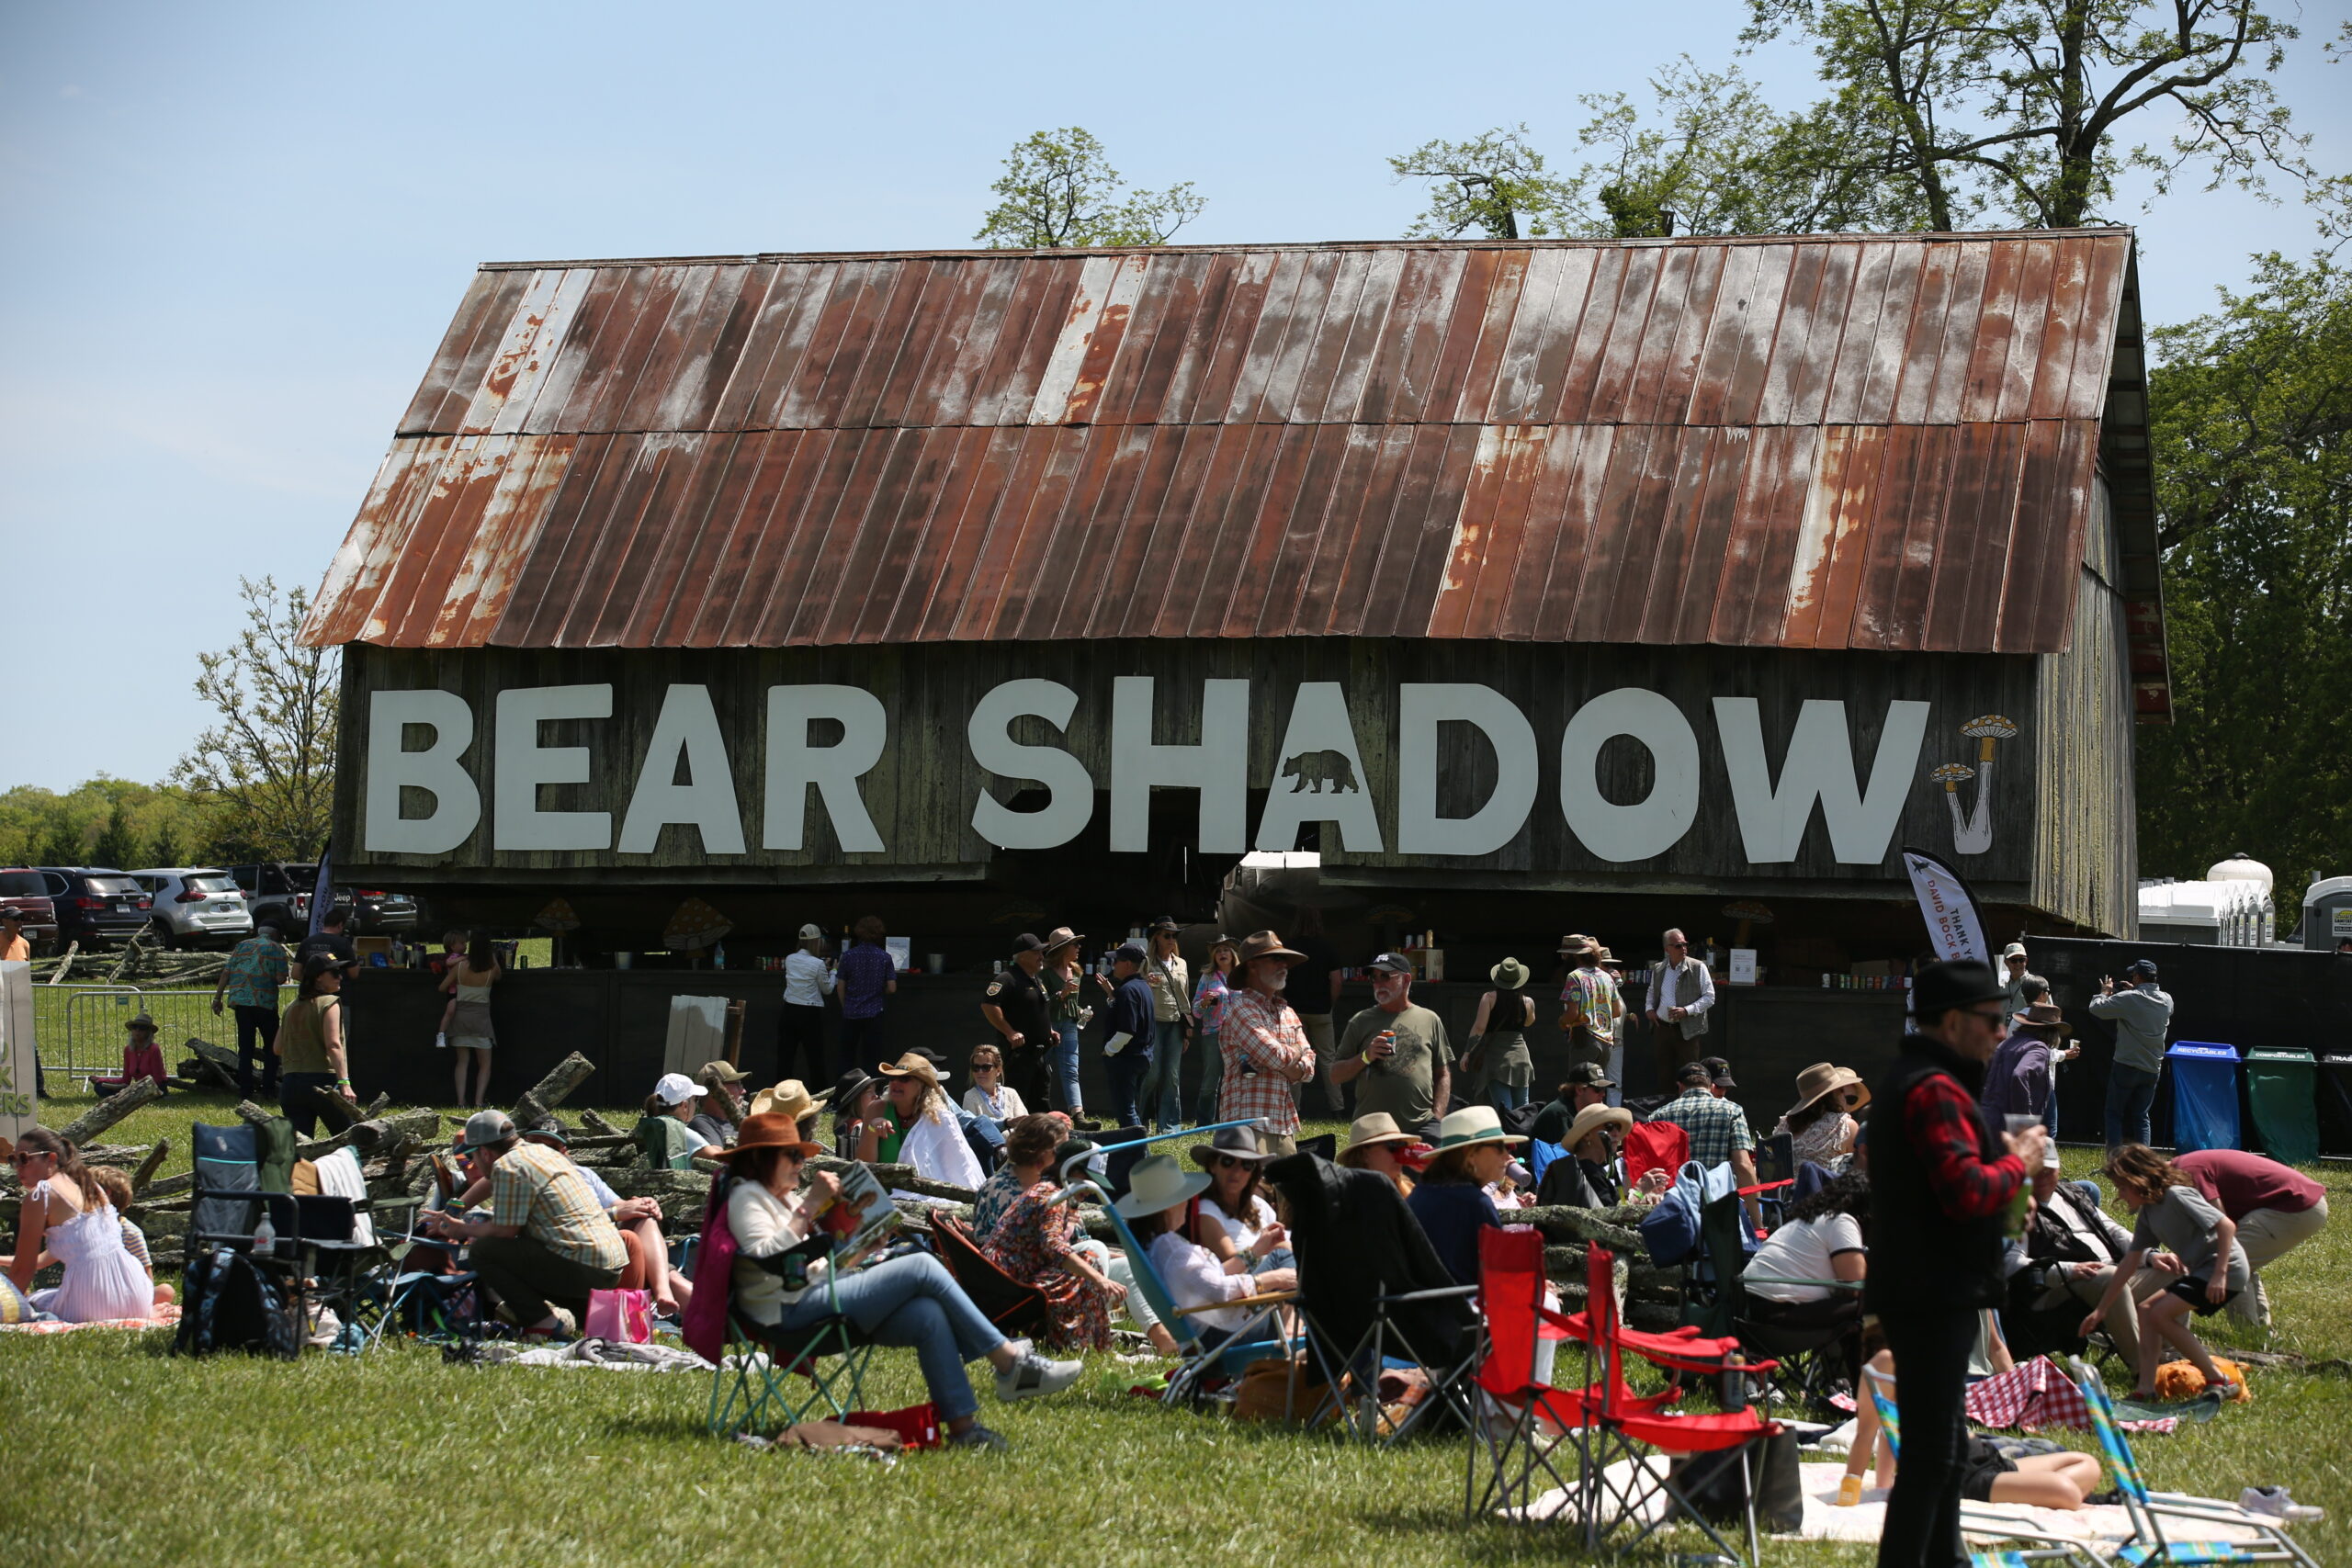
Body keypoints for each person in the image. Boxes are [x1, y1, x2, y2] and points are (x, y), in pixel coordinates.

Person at [714, 1111, 1081, 1451]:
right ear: (763, 1159)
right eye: (792, 1156)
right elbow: (769, 1259)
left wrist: (859, 1250)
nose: (802, 1163)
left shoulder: (782, 1200)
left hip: (810, 1300)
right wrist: (810, 1207)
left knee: (926, 1315)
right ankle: (1008, 1361)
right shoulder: (747, 1197)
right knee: (920, 1265)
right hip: (786, 1316)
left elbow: (800, 1270)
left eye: (801, 1155)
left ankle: (964, 1428)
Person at [1867, 958, 2041, 1568]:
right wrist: (2017, 1161)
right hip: (1931, 1287)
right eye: (1992, 1019)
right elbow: (1965, 1189)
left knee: (1939, 1446)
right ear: (1949, 1021)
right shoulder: (1933, 1086)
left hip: (1930, 1283)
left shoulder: (1926, 1077)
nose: (2001, 1032)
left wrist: (2018, 1189)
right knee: (1931, 1453)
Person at [1838, 1331, 2100, 1512]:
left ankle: (2028, 1491)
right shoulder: (1885, 1361)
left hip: (1983, 1458)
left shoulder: (1920, 1354)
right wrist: (1850, 1494)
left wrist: (1885, 1486)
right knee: (2066, 1492)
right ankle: (2036, 1492)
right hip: (1962, 1478)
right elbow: (1867, 1434)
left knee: (2087, 1463)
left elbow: (1891, 1427)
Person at [421, 1110, 627, 1337]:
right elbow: (490, 1181)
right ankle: (579, 1317)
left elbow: (504, 1231)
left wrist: (461, 1228)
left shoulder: (508, 1166)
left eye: (472, 1156)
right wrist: (454, 1209)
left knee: (485, 1251)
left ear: (485, 1153)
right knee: (526, 1246)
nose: (473, 1163)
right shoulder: (538, 1152)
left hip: (584, 1267)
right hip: (610, 1265)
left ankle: (544, 1323)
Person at [2082, 1144, 2249, 1401]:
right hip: (2203, 1271)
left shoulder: (2177, 1196)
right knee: (2147, 1311)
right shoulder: (2149, 1213)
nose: (2120, 1194)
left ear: (2138, 1180)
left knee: (2159, 1314)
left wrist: (2220, 1273)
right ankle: (2146, 1389)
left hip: (2225, 1268)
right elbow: (2129, 1263)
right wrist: (2102, 1309)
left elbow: (2226, 1226)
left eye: (2122, 1187)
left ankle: (2218, 1378)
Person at [978, 1115, 1125, 1350]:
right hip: (1010, 1283)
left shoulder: (1047, 1191)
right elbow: (1053, 1247)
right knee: (1091, 1260)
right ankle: (1078, 1343)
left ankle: (1103, 1340)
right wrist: (1100, 1280)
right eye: (1087, 1179)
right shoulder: (1051, 1196)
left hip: (1007, 1277)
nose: (1089, 1188)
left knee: (1091, 1258)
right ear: (1069, 1169)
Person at [515, 1123, 691, 1317]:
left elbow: (623, 1206)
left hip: (609, 1247)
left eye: (551, 1148)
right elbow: (563, 1222)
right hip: (576, 1251)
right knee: (630, 1242)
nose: (542, 1153)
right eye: (535, 1145)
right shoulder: (520, 1178)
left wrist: (642, 1204)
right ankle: (666, 1298)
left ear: (564, 1151)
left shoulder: (583, 1175)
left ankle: (664, 1292)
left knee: (643, 1219)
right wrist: (614, 1214)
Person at [1114, 1155, 1295, 1341]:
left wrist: (1255, 1251)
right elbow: (1220, 1289)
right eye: (1185, 1196)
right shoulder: (1176, 1252)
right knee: (1285, 1257)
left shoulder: (1156, 1246)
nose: (1188, 1202)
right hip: (1227, 1334)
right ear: (1171, 1205)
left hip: (1212, 1328)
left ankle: (1292, 1332)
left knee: (1281, 1256)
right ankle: (1292, 1335)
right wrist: (1275, 1278)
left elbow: (1208, 1280)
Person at [2007, 1142, 2148, 1362]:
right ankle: (2144, 1371)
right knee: (2110, 1278)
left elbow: (2111, 1228)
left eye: (2049, 1169)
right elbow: (2010, 1263)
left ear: (2059, 1170)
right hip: (2059, 1291)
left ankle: (2169, 1355)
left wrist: (2148, 1254)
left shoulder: (2071, 1192)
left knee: (2170, 1270)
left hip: (2109, 1275)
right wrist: (2069, 1269)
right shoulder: (2018, 1207)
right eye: (2037, 1169)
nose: (2044, 1175)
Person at [3, 1129, 153, 1323]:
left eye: (24, 1159)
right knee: (44, 1296)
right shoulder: (91, 1186)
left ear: (51, 1159)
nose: (18, 1167)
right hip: (138, 1295)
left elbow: (23, 1270)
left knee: (37, 1300)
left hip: (94, 1300)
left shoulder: (41, 1196)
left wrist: (8, 1310)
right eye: (13, 1160)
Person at [2173, 1147, 2329, 1327]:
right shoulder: (2186, 1165)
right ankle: (2260, 1332)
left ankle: (2250, 1334)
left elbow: (2219, 1223)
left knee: (2229, 1264)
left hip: (2295, 1205)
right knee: (2240, 1262)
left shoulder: (2186, 1171)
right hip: (2302, 1203)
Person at [1742, 1171, 1869, 1380]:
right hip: (1779, 1323)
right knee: (1868, 1306)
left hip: (1748, 1318)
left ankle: (1837, 1378)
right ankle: (1857, 1383)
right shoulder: (1841, 1221)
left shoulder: (1804, 1221)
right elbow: (1857, 1284)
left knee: (1845, 1305)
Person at [1213, 931, 1322, 1156]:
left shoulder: (1287, 1011)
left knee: (1285, 1191)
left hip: (1284, 1124)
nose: (1284, 965)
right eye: (1275, 959)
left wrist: (1292, 1062)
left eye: (1285, 961)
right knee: (1252, 1190)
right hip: (1247, 1125)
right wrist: (1296, 1056)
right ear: (1252, 966)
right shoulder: (1241, 1008)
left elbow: (1310, 1067)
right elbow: (1274, 1055)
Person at [1332, 952, 1453, 1133]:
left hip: (1422, 1125)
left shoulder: (1430, 1019)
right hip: (1373, 1128)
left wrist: (1437, 1116)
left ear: (1405, 980)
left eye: (1385, 976)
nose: (1378, 983)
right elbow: (1335, 1075)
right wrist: (1366, 1056)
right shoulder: (1360, 1021)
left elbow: (1442, 1074)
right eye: (1374, 978)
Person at [1406, 1105, 1521, 1286]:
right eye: (1499, 1146)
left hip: (1422, 1309)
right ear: (1470, 1154)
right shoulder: (1475, 1203)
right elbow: (1500, 1275)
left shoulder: (1419, 1194)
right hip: (1463, 1308)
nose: (1507, 1155)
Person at [1648, 1062, 1761, 1228]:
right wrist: (1758, 1224)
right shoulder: (1732, 1110)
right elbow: (1744, 1166)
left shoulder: (1657, 1116)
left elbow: (1650, 1171)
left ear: (1680, 1087)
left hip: (1673, 1215)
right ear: (1710, 1086)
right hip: (1719, 1215)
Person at [856, 1052, 985, 1189]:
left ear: (922, 1086)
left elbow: (962, 1170)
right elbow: (862, 1167)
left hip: (925, 1200)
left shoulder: (941, 1119)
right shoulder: (876, 1109)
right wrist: (872, 1131)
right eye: (892, 1077)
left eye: (904, 1079)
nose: (895, 1083)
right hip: (881, 1197)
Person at [2087, 958, 2172, 1148]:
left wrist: (2105, 992)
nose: (2131, 978)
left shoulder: (2128, 999)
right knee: (2142, 1116)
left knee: (2114, 1113)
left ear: (2139, 977)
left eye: (2133, 975)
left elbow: (2096, 1009)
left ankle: (2115, 1161)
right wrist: (2133, 991)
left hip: (2126, 1066)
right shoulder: (2167, 999)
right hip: (2152, 1068)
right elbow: (2145, 1006)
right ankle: (2144, 1164)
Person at [1188, 1126, 1292, 1276]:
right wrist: (1265, 1248)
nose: (1237, 1172)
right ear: (1212, 1165)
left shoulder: (1260, 1205)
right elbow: (1231, 1263)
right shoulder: (1207, 1210)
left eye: (1246, 1165)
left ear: (1253, 1172)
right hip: (1244, 1293)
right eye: (1228, 1162)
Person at [274, 955, 356, 1137]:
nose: (340, 977)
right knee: (349, 1143)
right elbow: (334, 1045)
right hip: (323, 1083)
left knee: (301, 1152)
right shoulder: (329, 1003)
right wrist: (344, 1083)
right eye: (334, 972)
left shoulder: (290, 1007)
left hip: (291, 1085)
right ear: (318, 977)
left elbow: (277, 1048)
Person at [211, 921, 290, 1099]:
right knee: (272, 1048)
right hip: (265, 1004)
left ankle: (245, 1091)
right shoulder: (276, 948)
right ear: (276, 934)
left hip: (241, 1002)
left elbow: (226, 972)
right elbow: (279, 978)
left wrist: (218, 998)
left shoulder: (242, 945)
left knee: (245, 1048)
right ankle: (268, 1090)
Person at [980, 933, 1055, 1117]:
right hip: (1019, 1056)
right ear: (1022, 956)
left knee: (1041, 1105)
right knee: (1016, 1105)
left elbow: (1036, 1010)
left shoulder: (1036, 979)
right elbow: (988, 1005)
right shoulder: (1006, 978)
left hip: (1040, 1056)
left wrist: (1050, 1031)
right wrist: (1010, 1032)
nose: (1041, 957)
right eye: (1036, 952)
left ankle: (1041, 1142)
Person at [84, 1164, 173, 1310]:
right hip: (96, 1290)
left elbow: (146, 1275)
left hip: (126, 1293)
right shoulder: (85, 1227)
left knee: (165, 1291)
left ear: (106, 1195)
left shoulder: (130, 1232)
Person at [1285, 906, 1347, 1118]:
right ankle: (1337, 1109)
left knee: (1295, 1057)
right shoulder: (1327, 948)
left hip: (1293, 1012)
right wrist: (1328, 1004)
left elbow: (1279, 980)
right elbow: (1337, 980)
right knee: (1328, 1060)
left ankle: (1294, 1108)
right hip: (1321, 1011)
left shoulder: (1289, 948)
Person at [1644, 928, 1716, 1096]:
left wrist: (1687, 1010)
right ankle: (1666, 1115)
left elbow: (1710, 997)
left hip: (1688, 1029)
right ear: (1667, 949)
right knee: (1664, 1075)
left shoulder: (1698, 967)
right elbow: (1652, 990)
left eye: (1685, 944)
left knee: (1691, 1075)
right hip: (1662, 1028)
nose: (1683, 948)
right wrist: (1649, 1009)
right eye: (1678, 945)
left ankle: (1689, 1112)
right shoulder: (1659, 968)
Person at [1137, 919, 1192, 1134]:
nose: (1171, 940)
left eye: (1174, 936)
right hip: (1153, 1023)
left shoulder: (1182, 963)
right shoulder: (1146, 963)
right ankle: (1142, 1120)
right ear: (1156, 938)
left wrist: (1187, 1027)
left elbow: (1185, 996)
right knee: (1151, 1074)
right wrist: (1145, 981)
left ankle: (1169, 1125)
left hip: (1175, 1024)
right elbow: (1136, 990)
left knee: (1172, 1075)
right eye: (1166, 935)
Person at [1980, 1002, 2073, 1127]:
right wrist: (2024, 1120)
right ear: (2052, 1032)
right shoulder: (2038, 1048)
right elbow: (2019, 1075)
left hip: (1989, 1118)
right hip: (2010, 1127)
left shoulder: (2006, 1044)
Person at [1464, 957, 1537, 1113]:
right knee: (1523, 1109)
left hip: (1496, 1058)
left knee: (1504, 1109)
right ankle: (1523, 1137)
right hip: (1520, 1057)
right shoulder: (1528, 1002)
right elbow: (1528, 1023)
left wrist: (1467, 1053)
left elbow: (1479, 1028)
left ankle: (1509, 1137)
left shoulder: (1489, 998)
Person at [437, 931, 500, 1109]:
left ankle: (460, 1102)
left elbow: (442, 987)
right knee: (485, 1064)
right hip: (481, 1019)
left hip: (460, 1017)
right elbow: (499, 977)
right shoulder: (491, 968)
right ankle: (479, 1101)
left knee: (462, 1062)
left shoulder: (460, 967)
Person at [1095, 943, 1154, 1130]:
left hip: (1126, 1058)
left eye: (1116, 961)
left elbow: (1127, 1030)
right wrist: (1112, 995)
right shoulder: (1143, 987)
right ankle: (1138, 1153)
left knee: (1126, 1112)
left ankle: (1139, 1154)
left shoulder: (1128, 990)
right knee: (1132, 1108)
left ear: (1127, 964)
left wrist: (1109, 1050)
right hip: (1142, 1057)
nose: (1113, 965)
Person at [1557, 936, 1625, 1084]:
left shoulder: (1575, 976)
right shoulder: (1606, 977)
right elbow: (1616, 1011)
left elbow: (1572, 1014)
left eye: (1565, 955)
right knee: (1597, 1088)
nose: (1563, 959)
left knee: (1578, 1088)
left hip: (1584, 1040)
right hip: (1607, 1042)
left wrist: (1562, 1022)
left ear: (1574, 956)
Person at [1775, 1063, 1868, 1169]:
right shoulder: (1844, 1126)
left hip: (1781, 1186)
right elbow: (1859, 1171)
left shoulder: (1785, 1124)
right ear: (1836, 1093)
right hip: (1822, 1185)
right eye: (1841, 1089)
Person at [777, 922, 835, 1085]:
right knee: (815, 1057)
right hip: (810, 1013)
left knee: (785, 1057)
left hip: (789, 1010)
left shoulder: (790, 959)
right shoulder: (817, 964)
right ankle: (820, 1093)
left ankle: (781, 1092)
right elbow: (827, 989)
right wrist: (834, 972)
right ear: (816, 942)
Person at [1041, 926, 1089, 1119]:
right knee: (1044, 1070)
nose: (1079, 947)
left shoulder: (1076, 972)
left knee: (1071, 1070)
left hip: (1069, 1025)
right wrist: (1061, 995)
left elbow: (1072, 1005)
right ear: (1063, 948)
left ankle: (1078, 1114)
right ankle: (1041, 1112)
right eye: (1075, 944)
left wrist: (1081, 1013)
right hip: (1048, 1026)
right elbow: (1041, 1003)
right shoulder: (1045, 974)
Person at [1190, 935, 1238, 1125]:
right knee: (1211, 1082)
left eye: (1226, 949)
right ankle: (1204, 1124)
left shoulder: (1243, 975)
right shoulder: (1208, 977)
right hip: (1213, 1033)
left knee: (1236, 1080)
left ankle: (1232, 1121)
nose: (1222, 953)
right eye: (1218, 951)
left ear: (1233, 953)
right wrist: (1204, 1002)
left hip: (1237, 1035)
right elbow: (1196, 1011)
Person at [836, 915, 897, 1064]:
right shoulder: (885, 957)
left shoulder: (848, 956)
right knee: (872, 1057)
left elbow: (840, 986)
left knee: (847, 1056)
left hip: (851, 1012)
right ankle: (872, 1085)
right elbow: (892, 988)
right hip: (874, 1012)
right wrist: (880, 992)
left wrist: (846, 1006)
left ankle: (847, 1086)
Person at [1337, 1111, 1419, 1197]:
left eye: (1402, 1145)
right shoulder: (1349, 1198)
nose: (1400, 1152)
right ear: (1364, 1154)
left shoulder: (1408, 1188)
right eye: (1392, 1146)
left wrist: (1429, 1172)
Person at [1531, 1061, 1616, 1142]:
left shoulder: (1580, 1112)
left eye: (1604, 1089)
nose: (1603, 1094)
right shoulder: (1560, 1114)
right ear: (1579, 1089)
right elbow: (1568, 1154)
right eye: (1598, 1089)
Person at [92, 1013, 168, 1095]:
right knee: (99, 1086)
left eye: (142, 1028)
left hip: (154, 1087)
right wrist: (102, 1079)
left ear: (149, 1032)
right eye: (135, 1027)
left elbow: (158, 1079)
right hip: (136, 1088)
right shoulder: (128, 1050)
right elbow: (125, 1080)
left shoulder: (154, 1049)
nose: (137, 1031)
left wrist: (137, 1088)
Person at [826, 1066, 888, 1161]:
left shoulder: (846, 1124)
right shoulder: (858, 1126)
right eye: (869, 1092)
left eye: (874, 1091)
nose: (875, 1096)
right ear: (856, 1100)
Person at [962, 1043, 1028, 1123]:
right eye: (976, 1067)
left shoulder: (1011, 1093)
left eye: (986, 1067)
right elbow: (974, 1128)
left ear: (998, 1070)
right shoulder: (970, 1096)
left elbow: (1023, 1123)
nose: (980, 1072)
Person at [690, 1062, 747, 1147]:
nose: (743, 1091)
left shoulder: (744, 1120)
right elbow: (719, 1158)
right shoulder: (703, 1123)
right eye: (737, 1084)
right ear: (716, 1089)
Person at [296, 905, 357, 972]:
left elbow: (295, 973)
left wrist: (311, 980)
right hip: (337, 982)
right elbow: (353, 974)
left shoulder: (306, 942)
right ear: (340, 925)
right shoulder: (344, 943)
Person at [1999, 942, 2047, 1020]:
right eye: (2013, 960)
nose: (2018, 964)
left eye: (2021, 960)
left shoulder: (2037, 985)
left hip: (2025, 1031)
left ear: (2026, 961)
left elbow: (2049, 1014)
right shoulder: (2001, 986)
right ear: (2006, 963)